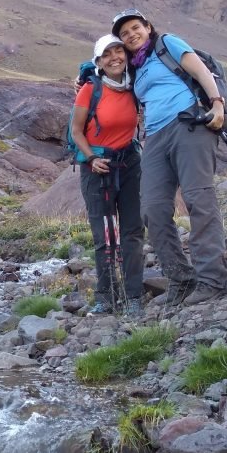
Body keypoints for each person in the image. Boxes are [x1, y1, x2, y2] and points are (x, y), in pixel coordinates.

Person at [111, 8, 227, 306]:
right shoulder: (134, 67)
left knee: (198, 198)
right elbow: (100, 70)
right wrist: (82, 75)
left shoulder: (168, 44)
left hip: (188, 124)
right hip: (155, 138)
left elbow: (200, 71)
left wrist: (217, 104)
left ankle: (212, 281)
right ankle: (181, 278)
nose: (131, 34)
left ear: (148, 27)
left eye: (135, 27)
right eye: (124, 33)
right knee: (152, 208)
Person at [71, 34, 143, 315]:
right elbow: (77, 130)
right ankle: (106, 297)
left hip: (129, 164)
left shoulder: (135, 84)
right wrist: (91, 157)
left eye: (119, 51)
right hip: (96, 168)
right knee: (104, 236)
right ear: (98, 62)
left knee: (132, 232)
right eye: (107, 54)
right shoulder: (90, 89)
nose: (115, 58)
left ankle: (134, 297)